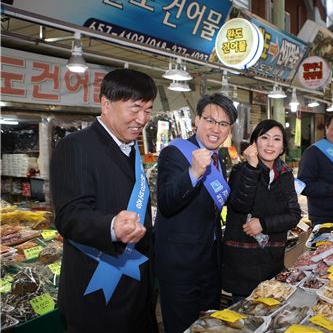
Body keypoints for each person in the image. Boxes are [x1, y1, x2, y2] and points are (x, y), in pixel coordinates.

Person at [50, 69, 158, 332]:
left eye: (148, 110)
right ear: (106, 104)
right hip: (98, 290)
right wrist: (111, 226)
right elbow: (70, 216)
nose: (142, 119)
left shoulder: (131, 148)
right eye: (135, 108)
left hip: (137, 285)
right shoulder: (76, 146)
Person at [155, 93, 238, 332]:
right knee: (182, 326)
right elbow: (167, 202)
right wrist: (192, 173)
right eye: (210, 120)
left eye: (223, 124)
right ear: (197, 120)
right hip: (181, 265)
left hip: (210, 262)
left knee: (207, 326)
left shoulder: (219, 156)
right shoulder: (175, 152)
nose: (216, 128)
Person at [222, 119, 301, 302]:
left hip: (272, 261)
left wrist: (264, 224)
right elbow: (240, 205)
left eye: (276, 139)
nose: (270, 144)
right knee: (241, 320)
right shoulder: (240, 171)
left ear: (282, 147)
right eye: (264, 137)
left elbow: (294, 214)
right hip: (242, 264)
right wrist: (251, 167)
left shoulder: (285, 174)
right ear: (254, 142)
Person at [298, 114, 333, 226]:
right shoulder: (313, 152)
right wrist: (332, 189)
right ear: (326, 129)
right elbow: (303, 186)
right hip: (323, 219)